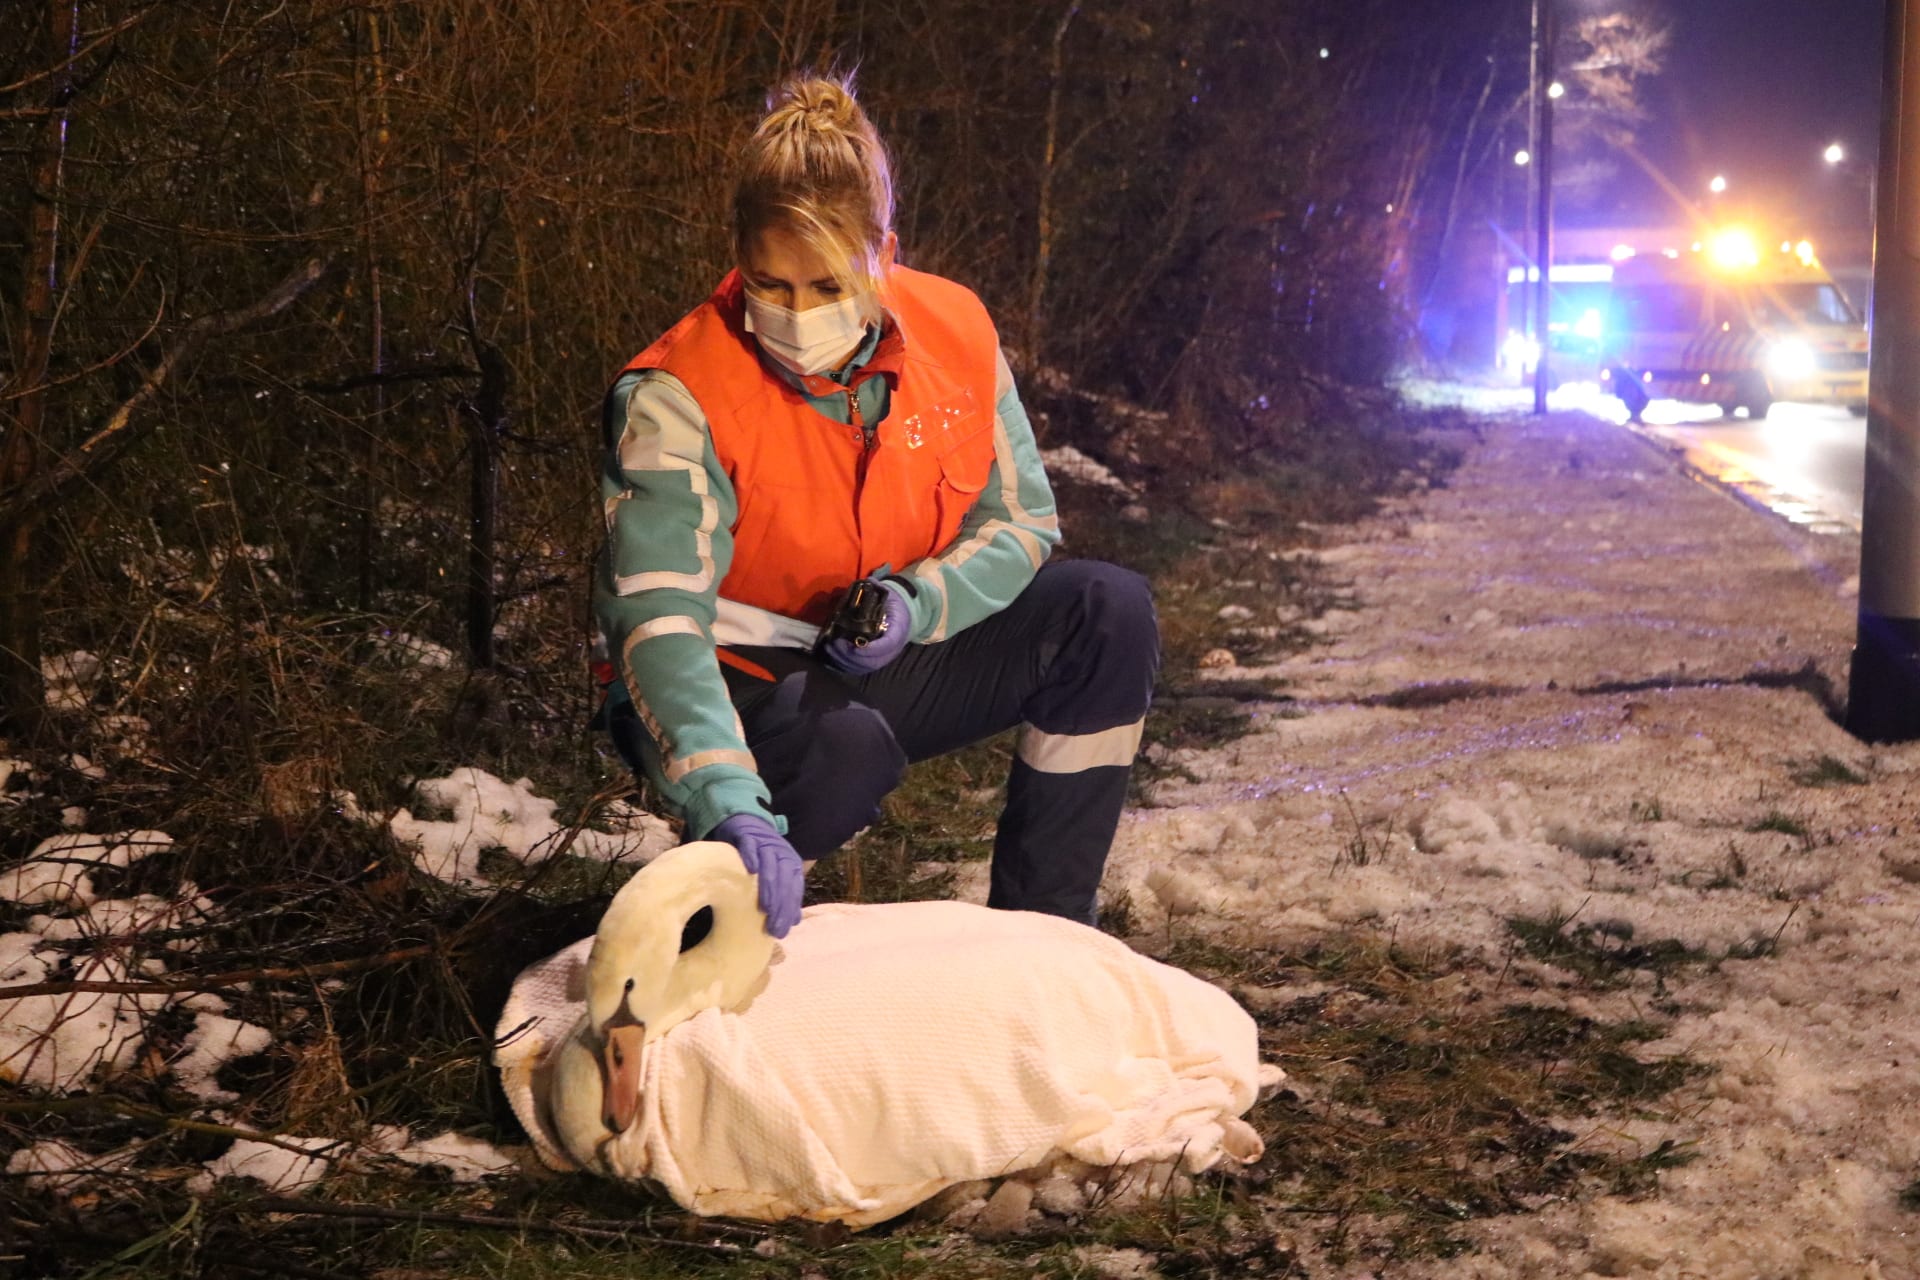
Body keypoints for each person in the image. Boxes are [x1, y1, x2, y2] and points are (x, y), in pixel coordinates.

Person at [593, 71, 1159, 937]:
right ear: (738, 256)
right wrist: (724, 795)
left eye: (826, 286)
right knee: (838, 754)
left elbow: (1022, 519)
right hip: (731, 678)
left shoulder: (957, 330)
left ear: (881, 253)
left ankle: (1047, 940)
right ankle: (719, 910)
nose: (793, 314)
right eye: (768, 284)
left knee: (1105, 613)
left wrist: (918, 603)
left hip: (881, 654)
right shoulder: (677, 392)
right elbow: (658, 618)